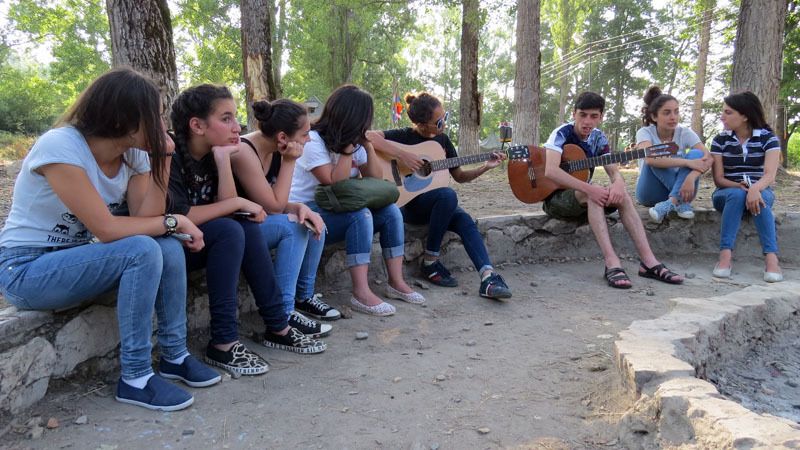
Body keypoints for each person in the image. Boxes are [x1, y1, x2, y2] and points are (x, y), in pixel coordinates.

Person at [0, 68, 220, 411]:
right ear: (124, 117)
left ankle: (175, 355)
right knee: (146, 246)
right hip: (26, 269)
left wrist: (161, 160)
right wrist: (175, 220)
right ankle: (134, 377)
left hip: (75, 259)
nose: (163, 125)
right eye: (156, 115)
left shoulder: (133, 154)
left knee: (166, 245)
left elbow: (144, 219)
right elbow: (107, 229)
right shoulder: (61, 146)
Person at [168, 84, 326, 376]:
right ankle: (224, 342)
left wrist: (222, 161)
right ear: (197, 125)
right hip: (171, 244)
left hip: (202, 241)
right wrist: (240, 201)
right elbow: (180, 214)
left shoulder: (217, 153)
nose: (236, 126)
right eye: (226, 118)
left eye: (235, 118)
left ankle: (277, 325)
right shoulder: (172, 153)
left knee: (244, 226)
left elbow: (228, 206)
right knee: (233, 229)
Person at [288, 85, 423, 316]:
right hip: (308, 211)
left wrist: (368, 147)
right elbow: (333, 181)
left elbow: (374, 179)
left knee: (391, 212)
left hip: (336, 209)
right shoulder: (313, 140)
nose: (367, 126)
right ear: (350, 117)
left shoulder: (355, 142)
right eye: (364, 120)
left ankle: (396, 282)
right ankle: (361, 293)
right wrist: (347, 151)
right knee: (361, 215)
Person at [367, 91, 512, 300]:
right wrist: (403, 156)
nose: (443, 123)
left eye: (445, 118)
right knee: (448, 196)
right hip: (409, 205)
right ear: (421, 124)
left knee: (463, 218)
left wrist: (485, 167)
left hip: (438, 206)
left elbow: (460, 176)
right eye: (438, 121)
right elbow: (368, 136)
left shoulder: (443, 140)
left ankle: (488, 277)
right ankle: (430, 261)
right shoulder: (404, 136)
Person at [542, 92, 683, 289]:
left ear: (601, 117)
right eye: (582, 115)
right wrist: (591, 190)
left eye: (593, 116)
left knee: (621, 194)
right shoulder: (561, 134)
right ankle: (612, 263)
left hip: (583, 197)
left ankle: (649, 262)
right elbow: (550, 171)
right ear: (574, 113)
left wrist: (618, 183)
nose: (587, 121)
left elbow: (614, 172)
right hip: (556, 199)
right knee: (594, 194)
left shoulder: (599, 138)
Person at [232, 98, 339, 336]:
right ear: (282, 137)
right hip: (235, 229)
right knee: (295, 227)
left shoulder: (275, 149)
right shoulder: (244, 151)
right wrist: (290, 161)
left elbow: (272, 203)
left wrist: (300, 207)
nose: (308, 140)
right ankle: (285, 313)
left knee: (310, 218)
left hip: (256, 221)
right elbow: (273, 207)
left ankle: (304, 297)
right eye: (304, 134)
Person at [709, 91, 782, 282]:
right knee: (736, 194)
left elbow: (770, 175)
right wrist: (738, 186)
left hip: (761, 190)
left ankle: (772, 260)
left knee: (762, 199)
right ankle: (725, 258)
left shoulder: (768, 139)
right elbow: (718, 179)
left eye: (728, 112)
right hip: (725, 194)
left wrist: (755, 189)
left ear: (744, 116)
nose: (722, 116)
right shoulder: (720, 140)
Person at [634, 86, 713, 223]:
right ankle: (679, 202)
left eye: (676, 112)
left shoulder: (685, 133)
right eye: (667, 113)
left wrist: (691, 177)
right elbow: (650, 160)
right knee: (655, 154)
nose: (673, 117)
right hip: (650, 192)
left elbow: (708, 157)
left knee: (696, 153)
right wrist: (687, 162)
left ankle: (672, 202)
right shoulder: (645, 132)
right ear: (654, 116)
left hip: (684, 189)